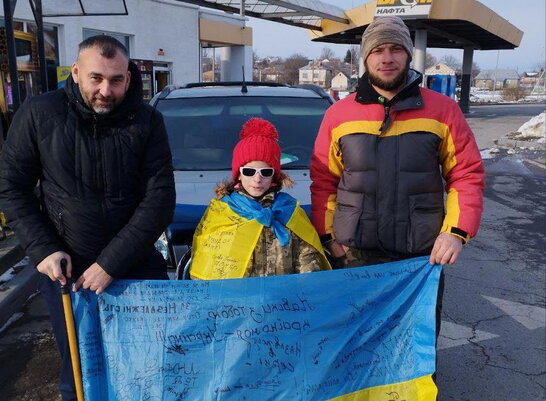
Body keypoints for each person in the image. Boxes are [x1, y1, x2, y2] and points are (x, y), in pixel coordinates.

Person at [0, 35, 175, 400]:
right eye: (96, 78)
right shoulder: (39, 113)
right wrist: (44, 250)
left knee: (145, 368)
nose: (106, 91)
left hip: (135, 269)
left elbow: (159, 199)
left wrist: (110, 263)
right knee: (81, 371)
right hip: (67, 270)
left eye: (116, 80)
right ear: (76, 73)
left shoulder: (148, 121)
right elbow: (11, 187)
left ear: (128, 77)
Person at [310, 16, 484, 269]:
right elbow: (324, 181)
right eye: (377, 50)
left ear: (409, 55)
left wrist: (455, 232)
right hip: (353, 254)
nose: (387, 58)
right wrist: (328, 237)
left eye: (396, 49)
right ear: (366, 58)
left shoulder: (443, 111)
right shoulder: (339, 114)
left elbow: (466, 175)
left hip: (421, 253)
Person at [190, 118, 330, 279]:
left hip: (283, 300)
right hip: (239, 301)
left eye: (265, 172)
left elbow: (307, 256)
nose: (257, 179)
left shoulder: (290, 211)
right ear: (239, 174)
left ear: (274, 176)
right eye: (249, 172)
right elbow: (205, 260)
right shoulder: (222, 212)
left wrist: (307, 289)